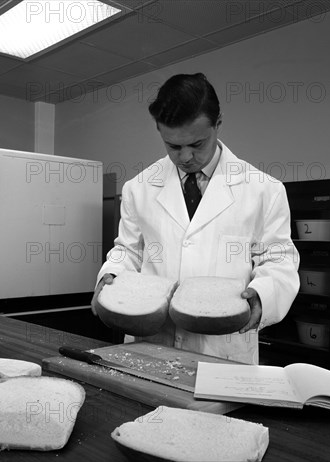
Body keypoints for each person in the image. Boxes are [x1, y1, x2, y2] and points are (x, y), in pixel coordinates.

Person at [92, 73, 300, 364]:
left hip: (223, 350)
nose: (186, 157)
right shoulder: (138, 188)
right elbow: (127, 251)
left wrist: (262, 297)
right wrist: (110, 275)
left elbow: (279, 261)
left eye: (197, 144)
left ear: (218, 124)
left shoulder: (264, 189)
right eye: (173, 146)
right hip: (151, 342)